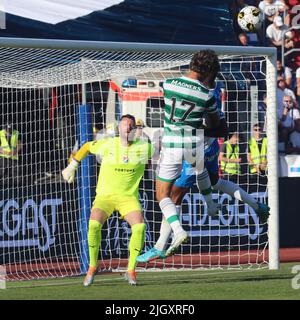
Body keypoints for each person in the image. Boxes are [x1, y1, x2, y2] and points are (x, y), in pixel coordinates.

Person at [137, 93, 270, 263]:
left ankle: (160, 246)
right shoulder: (213, 106)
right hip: (211, 147)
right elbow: (224, 130)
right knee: (214, 182)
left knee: (172, 197)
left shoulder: (193, 105)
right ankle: (256, 204)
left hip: (195, 149)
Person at [62, 114, 154, 286]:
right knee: (94, 225)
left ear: (134, 129)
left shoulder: (145, 148)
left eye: (131, 126)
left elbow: (161, 152)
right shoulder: (108, 144)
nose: (127, 128)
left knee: (140, 226)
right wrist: (72, 166)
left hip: (128, 197)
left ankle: (131, 270)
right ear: (118, 128)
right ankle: (92, 267)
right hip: (105, 196)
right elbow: (87, 147)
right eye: (124, 125)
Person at [155, 50, 221, 256]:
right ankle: (210, 205)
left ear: (191, 64)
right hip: (193, 144)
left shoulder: (169, 84)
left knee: (163, 195)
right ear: (209, 70)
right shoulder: (207, 96)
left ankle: (178, 230)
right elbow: (214, 124)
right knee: (199, 171)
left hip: (173, 145)